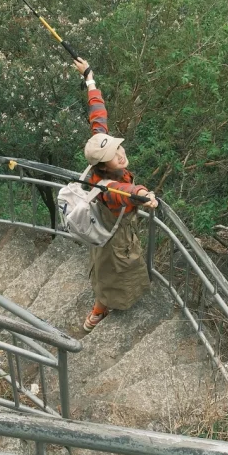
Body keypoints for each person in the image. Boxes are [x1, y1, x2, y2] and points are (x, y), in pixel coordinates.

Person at [72, 57, 158, 331]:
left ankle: (105, 304)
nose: (120, 154)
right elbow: (125, 191)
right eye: (114, 155)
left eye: (118, 149)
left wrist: (89, 77)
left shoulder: (100, 147)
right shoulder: (106, 185)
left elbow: (98, 116)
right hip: (114, 234)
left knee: (114, 266)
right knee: (114, 269)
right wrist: (145, 194)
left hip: (111, 229)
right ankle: (99, 309)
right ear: (102, 165)